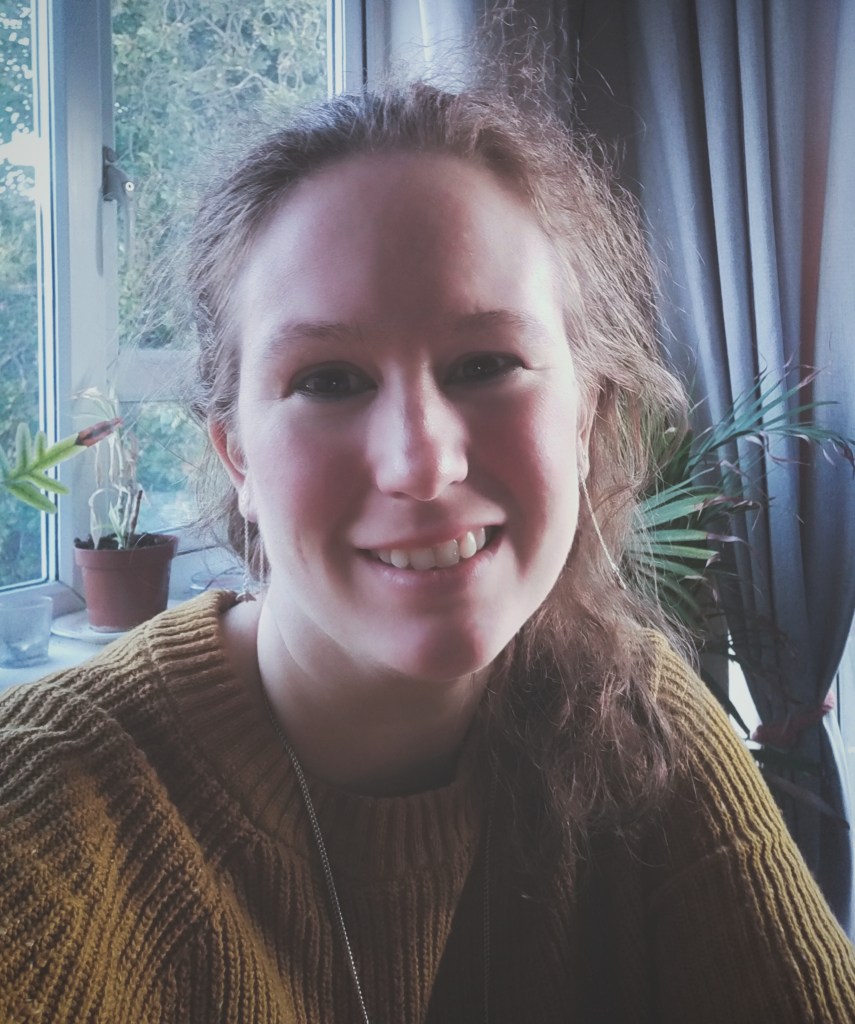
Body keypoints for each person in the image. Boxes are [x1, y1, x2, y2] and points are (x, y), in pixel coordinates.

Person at [2, 80, 854, 1024]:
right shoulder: (44, 808)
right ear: (235, 455)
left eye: (485, 364)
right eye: (327, 379)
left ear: (587, 421)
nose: (419, 463)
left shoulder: (640, 725)